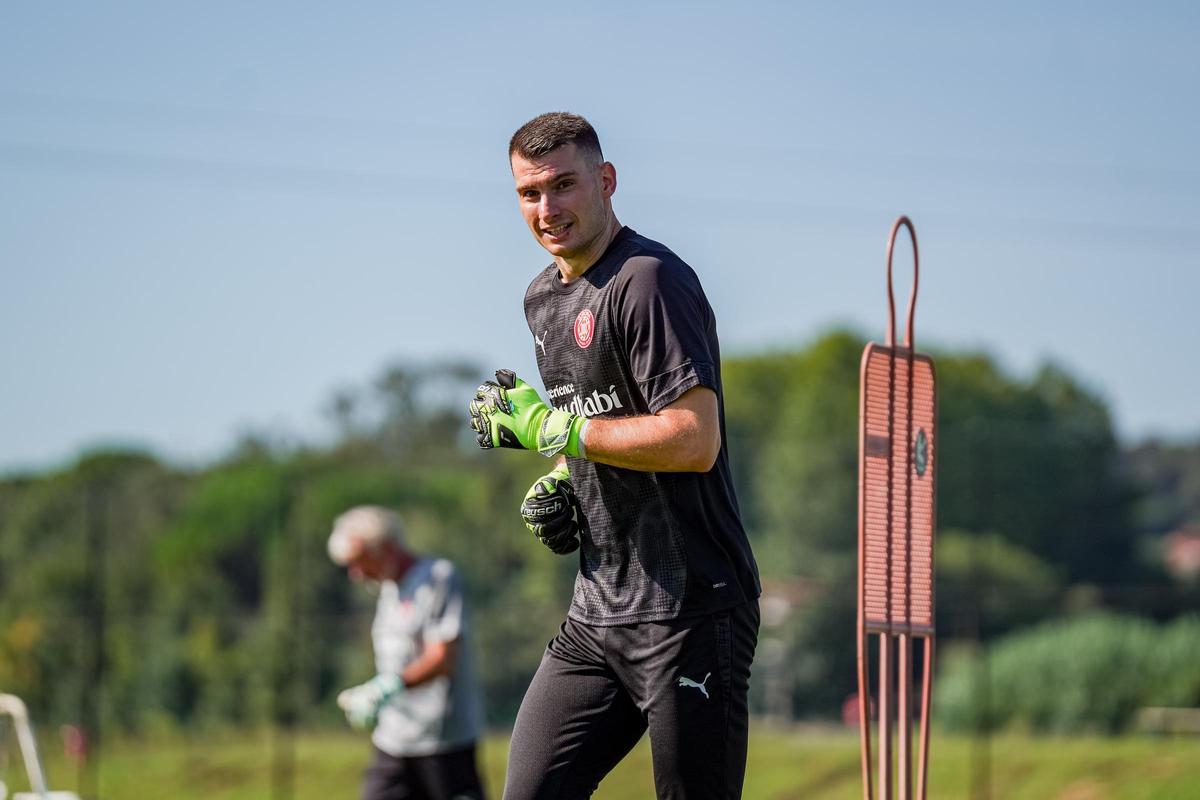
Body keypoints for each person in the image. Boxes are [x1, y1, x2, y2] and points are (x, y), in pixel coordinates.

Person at [467, 113, 761, 799]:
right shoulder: (542, 299)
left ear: (606, 181)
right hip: (597, 614)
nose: (548, 208)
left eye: (564, 185)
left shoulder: (648, 280)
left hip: (692, 610)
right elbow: (604, 426)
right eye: (529, 193)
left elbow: (693, 438)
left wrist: (560, 435)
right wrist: (563, 482)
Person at [328, 505, 487, 800]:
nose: (356, 574)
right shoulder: (388, 589)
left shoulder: (438, 578)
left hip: (443, 743)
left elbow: (442, 658)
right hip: (394, 741)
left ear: (385, 548)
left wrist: (385, 687)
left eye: (360, 563)